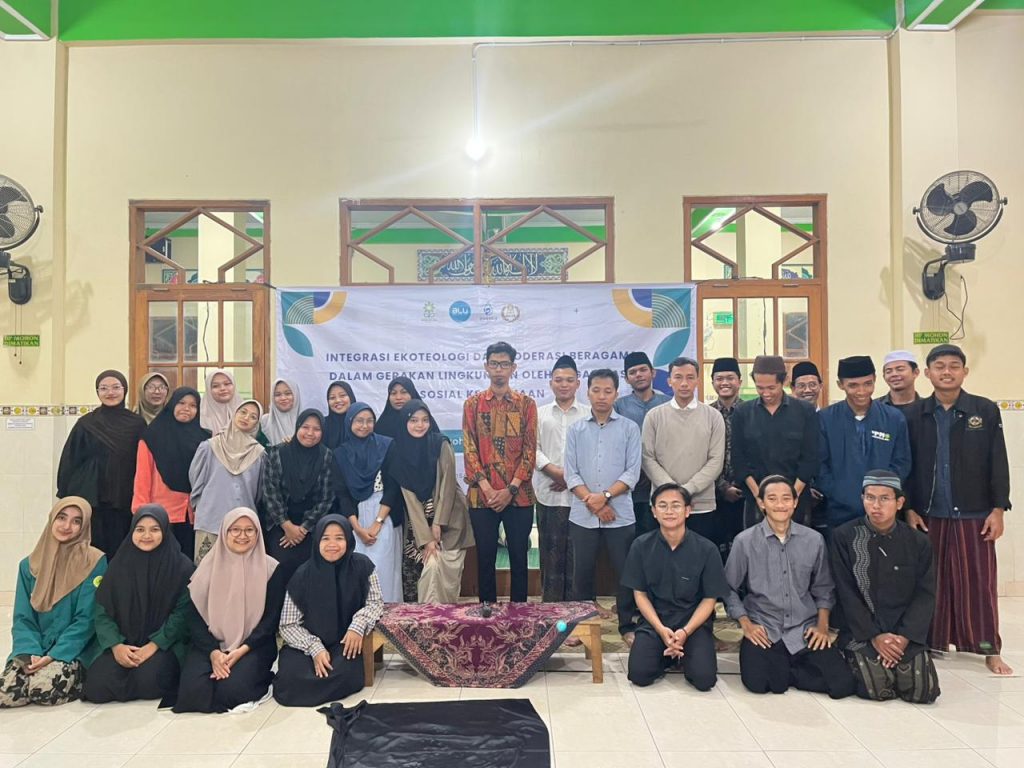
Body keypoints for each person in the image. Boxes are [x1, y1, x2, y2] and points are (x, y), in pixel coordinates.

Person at [903, 344, 1013, 675]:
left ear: (965, 371)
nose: (947, 372)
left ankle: (988, 648)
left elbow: (998, 461)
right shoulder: (914, 414)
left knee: (979, 584)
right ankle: (934, 641)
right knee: (931, 583)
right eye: (939, 366)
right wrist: (909, 507)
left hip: (974, 513)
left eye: (954, 366)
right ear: (927, 373)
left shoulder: (984, 409)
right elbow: (906, 466)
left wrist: (998, 508)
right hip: (929, 514)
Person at [724, 476, 855, 699]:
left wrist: (822, 626)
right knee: (758, 683)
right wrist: (746, 625)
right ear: (762, 503)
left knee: (842, 685)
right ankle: (786, 670)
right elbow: (728, 588)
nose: (780, 505)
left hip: (803, 628)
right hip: (765, 627)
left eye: (786, 498)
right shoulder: (744, 541)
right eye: (772, 499)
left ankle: (784, 672)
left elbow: (824, 588)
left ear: (795, 502)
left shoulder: (814, 540)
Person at [830, 471, 940, 703]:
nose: (876, 505)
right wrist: (875, 636)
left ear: (899, 503)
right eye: (870, 498)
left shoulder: (918, 542)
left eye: (884, 498)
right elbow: (846, 593)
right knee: (877, 688)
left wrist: (904, 638)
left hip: (904, 632)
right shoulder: (844, 537)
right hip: (862, 631)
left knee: (922, 692)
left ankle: (897, 658)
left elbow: (925, 594)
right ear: (862, 499)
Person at [174, 507, 285, 713]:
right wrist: (214, 652)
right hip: (210, 644)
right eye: (235, 530)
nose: (242, 535)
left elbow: (270, 620)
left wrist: (242, 650)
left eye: (249, 530)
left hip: (253, 645)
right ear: (224, 532)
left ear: (258, 533)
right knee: (192, 693)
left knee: (232, 691)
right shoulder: (206, 568)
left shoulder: (271, 569)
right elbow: (194, 618)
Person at [1, 498, 107, 708]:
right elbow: (23, 618)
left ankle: (75, 678)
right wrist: (30, 652)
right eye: (61, 518)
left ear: (84, 526)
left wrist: (54, 655)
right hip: (35, 647)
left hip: (73, 649)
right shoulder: (28, 566)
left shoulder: (94, 562)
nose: (67, 526)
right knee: (7, 693)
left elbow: (86, 620)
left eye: (76, 521)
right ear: (52, 519)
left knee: (44, 691)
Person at [623, 484, 729, 691]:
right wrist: (661, 629)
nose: (669, 511)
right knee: (639, 675)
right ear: (654, 511)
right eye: (662, 506)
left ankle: (683, 653)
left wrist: (685, 631)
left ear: (688, 510)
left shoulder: (707, 549)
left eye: (676, 505)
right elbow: (640, 594)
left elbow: (710, 599)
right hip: (655, 622)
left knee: (704, 679)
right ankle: (668, 656)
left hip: (693, 623)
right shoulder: (641, 545)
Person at [84, 505, 194, 703]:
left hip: (164, 644)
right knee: (96, 686)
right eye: (140, 529)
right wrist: (116, 645)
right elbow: (102, 610)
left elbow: (182, 615)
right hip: (124, 641)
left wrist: (154, 645)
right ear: (132, 531)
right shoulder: (118, 565)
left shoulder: (181, 567)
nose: (147, 536)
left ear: (165, 531)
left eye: (155, 529)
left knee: (149, 681)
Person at [274, 516, 384, 706]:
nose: (332, 544)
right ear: (317, 541)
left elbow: (375, 602)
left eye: (339, 538)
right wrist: (315, 648)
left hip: (344, 642)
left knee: (344, 672)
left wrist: (357, 626)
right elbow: (288, 624)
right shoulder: (302, 575)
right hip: (307, 643)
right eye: (325, 538)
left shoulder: (363, 566)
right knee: (289, 679)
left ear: (348, 540)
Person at [565, 369, 641, 644]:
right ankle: (581, 626)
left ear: (616, 394)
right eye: (596, 390)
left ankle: (627, 625)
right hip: (583, 514)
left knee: (624, 572)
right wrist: (595, 503)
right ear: (587, 392)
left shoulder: (629, 428)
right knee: (582, 573)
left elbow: (632, 472)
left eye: (608, 391)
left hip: (620, 514)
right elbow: (571, 473)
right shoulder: (576, 429)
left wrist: (605, 496)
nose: (601, 396)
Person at [463, 341, 538, 605]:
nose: (499, 369)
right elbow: (469, 449)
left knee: (519, 557)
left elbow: (530, 451)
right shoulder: (472, 404)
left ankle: (519, 614)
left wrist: (510, 489)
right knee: (485, 558)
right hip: (482, 496)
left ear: (513, 368)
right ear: (486, 366)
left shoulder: (526, 404)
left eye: (504, 364)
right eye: (494, 364)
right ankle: (487, 613)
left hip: (519, 496)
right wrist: (488, 489)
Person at [384, 400, 475, 603]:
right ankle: (430, 617)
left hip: (451, 517)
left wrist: (438, 522)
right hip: (421, 525)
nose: (420, 425)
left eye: (425, 420)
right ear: (404, 423)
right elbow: (411, 501)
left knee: (449, 573)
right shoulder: (399, 452)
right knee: (430, 569)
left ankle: (447, 614)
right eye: (414, 420)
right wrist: (426, 538)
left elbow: (447, 486)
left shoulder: (440, 444)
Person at [57, 369, 147, 558]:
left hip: (124, 499)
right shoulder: (86, 423)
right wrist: (65, 495)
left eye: (116, 387)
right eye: (104, 388)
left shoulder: (137, 424)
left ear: (125, 390)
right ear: (97, 391)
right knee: (91, 551)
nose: (110, 392)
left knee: (122, 551)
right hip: (92, 499)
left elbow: (143, 461)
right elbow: (70, 460)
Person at [817, 356, 911, 531]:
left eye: (868, 384)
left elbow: (902, 462)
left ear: (875, 380)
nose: (861, 391)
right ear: (840, 385)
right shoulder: (825, 418)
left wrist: (882, 496)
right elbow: (820, 465)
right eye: (853, 385)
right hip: (839, 511)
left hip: (884, 513)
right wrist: (840, 494)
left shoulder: (893, 418)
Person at [641, 356, 725, 547]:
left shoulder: (713, 416)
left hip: (701, 505)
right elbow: (647, 458)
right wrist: (672, 492)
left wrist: (687, 490)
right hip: (663, 506)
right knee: (663, 558)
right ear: (669, 381)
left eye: (690, 377)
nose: (684, 383)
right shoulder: (654, 416)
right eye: (678, 377)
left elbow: (716, 460)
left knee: (700, 557)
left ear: (697, 380)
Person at [731, 355, 819, 529]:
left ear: (784, 381)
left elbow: (810, 458)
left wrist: (790, 497)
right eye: (760, 388)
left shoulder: (805, 411)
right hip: (756, 499)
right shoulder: (743, 412)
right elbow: (738, 459)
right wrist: (760, 497)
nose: (766, 393)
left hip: (796, 498)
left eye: (771, 387)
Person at [534, 355, 590, 602]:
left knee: (579, 556)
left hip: (582, 497)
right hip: (548, 494)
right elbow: (532, 448)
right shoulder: (539, 414)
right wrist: (554, 471)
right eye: (558, 380)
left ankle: (578, 609)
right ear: (551, 383)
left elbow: (595, 451)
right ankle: (551, 607)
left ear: (578, 383)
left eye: (569, 380)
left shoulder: (588, 414)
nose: (564, 384)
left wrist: (570, 478)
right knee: (551, 556)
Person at [335, 403, 402, 602]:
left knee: (385, 570)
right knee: (359, 573)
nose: (364, 426)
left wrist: (377, 523)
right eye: (359, 421)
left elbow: (392, 487)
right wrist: (357, 529)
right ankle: (361, 617)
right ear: (349, 422)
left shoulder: (387, 446)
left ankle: (389, 617)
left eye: (369, 421)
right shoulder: (340, 454)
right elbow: (342, 494)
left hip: (384, 514)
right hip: (355, 519)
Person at [132, 386, 210, 559]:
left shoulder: (204, 438)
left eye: (193, 405)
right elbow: (143, 476)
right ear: (172, 404)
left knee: (189, 563)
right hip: (161, 513)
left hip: (194, 514)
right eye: (181, 403)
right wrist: (141, 511)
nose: (186, 408)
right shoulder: (152, 435)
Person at [261, 408, 336, 583]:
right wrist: (286, 525)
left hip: (311, 526)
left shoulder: (326, 456)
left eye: (316, 429)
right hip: (279, 525)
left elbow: (326, 498)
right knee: (279, 567)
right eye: (305, 427)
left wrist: (303, 529)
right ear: (297, 427)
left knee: (311, 570)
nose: (310, 433)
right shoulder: (277, 452)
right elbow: (270, 492)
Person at [189, 400, 266, 563]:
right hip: (210, 518)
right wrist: (200, 506)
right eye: (243, 412)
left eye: (253, 417)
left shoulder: (259, 454)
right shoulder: (210, 447)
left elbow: (259, 491)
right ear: (234, 413)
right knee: (206, 569)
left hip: (243, 523)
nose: (246, 418)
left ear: (257, 424)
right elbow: (196, 480)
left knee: (239, 570)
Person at [614, 351, 671, 536]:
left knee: (661, 537)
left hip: (663, 481)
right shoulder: (619, 406)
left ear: (653, 373)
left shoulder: (668, 404)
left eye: (642, 370)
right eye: (632, 372)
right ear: (626, 379)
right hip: (631, 486)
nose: (638, 375)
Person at [709, 356, 745, 559]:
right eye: (719, 378)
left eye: (730, 378)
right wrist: (723, 487)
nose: (725, 383)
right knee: (716, 550)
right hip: (712, 494)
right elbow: (701, 454)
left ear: (739, 381)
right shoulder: (705, 413)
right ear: (712, 382)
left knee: (744, 549)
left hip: (747, 493)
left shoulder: (751, 411)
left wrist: (741, 485)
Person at [199, 368, 243, 435]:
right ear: (209, 390)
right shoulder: (199, 417)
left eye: (227, 384)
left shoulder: (247, 414)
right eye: (215, 386)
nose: (222, 388)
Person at [261, 378, 302, 445]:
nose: (283, 398)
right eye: (277, 395)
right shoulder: (265, 421)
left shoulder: (305, 422)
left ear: (296, 395)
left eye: (288, 393)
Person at [323, 381, 357, 451]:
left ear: (351, 397)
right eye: (332, 398)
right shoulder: (322, 425)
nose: (337, 400)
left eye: (342, 395)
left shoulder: (361, 424)